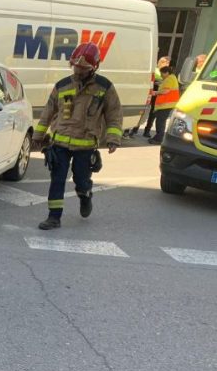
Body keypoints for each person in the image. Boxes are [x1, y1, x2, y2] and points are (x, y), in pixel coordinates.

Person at [31, 42, 123, 230]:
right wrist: (38, 136)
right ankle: (53, 218)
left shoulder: (104, 87)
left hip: (85, 145)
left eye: (83, 68)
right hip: (60, 143)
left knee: (81, 180)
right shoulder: (62, 85)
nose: (78, 70)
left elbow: (114, 114)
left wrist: (113, 139)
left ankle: (85, 195)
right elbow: (48, 112)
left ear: (93, 67)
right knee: (57, 180)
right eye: (76, 66)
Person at [131, 55, 169, 138]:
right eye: (166, 62)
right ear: (161, 62)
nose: (167, 64)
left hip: (157, 95)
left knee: (153, 114)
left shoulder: (166, 72)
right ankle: (135, 129)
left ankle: (147, 130)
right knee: (144, 111)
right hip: (151, 92)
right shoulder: (155, 70)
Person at [148, 65, 179, 144]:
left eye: (162, 74)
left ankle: (158, 139)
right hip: (167, 104)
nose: (161, 75)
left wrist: (155, 92)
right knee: (161, 122)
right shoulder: (172, 78)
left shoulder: (169, 79)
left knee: (160, 122)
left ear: (167, 73)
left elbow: (165, 91)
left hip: (165, 105)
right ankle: (158, 137)